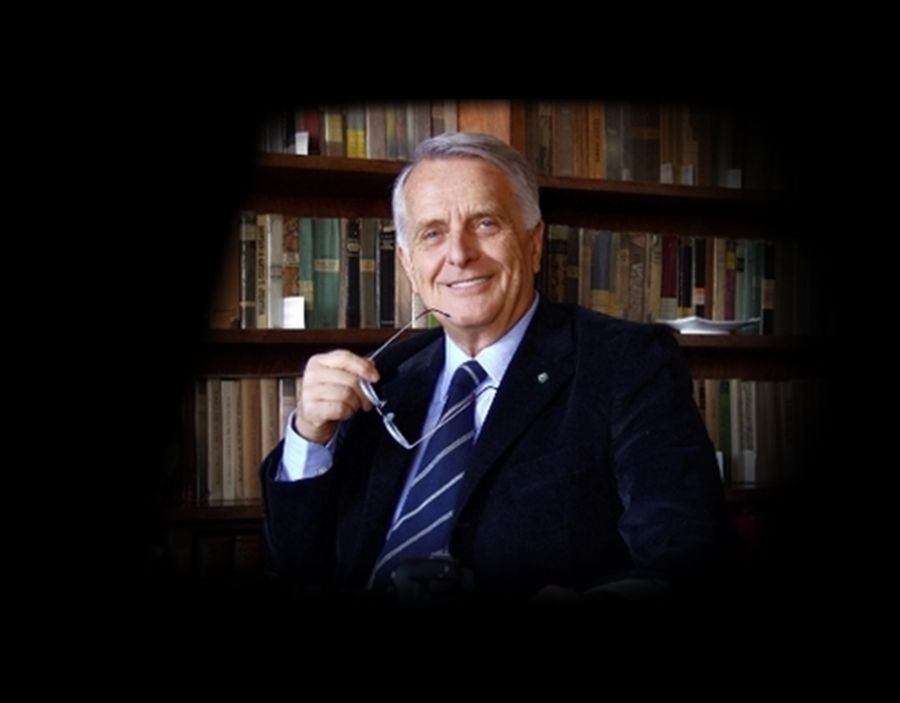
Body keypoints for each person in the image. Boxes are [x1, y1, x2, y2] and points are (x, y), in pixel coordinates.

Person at [260, 132, 738, 605]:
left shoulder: (627, 360)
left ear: (534, 244)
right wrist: (310, 437)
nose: (459, 254)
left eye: (485, 223)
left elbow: (688, 555)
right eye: (432, 233)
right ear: (407, 265)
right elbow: (297, 564)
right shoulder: (382, 375)